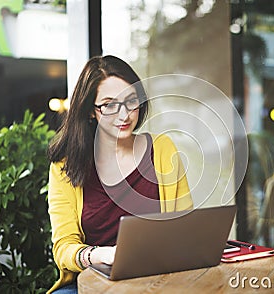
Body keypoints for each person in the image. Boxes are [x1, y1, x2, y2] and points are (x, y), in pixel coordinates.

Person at [46, 55, 193, 293]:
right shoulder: (65, 165)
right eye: (109, 105)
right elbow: (64, 247)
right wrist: (101, 255)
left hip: (157, 277)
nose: (124, 115)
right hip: (95, 280)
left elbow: (186, 226)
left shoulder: (163, 150)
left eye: (131, 101)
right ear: (91, 111)